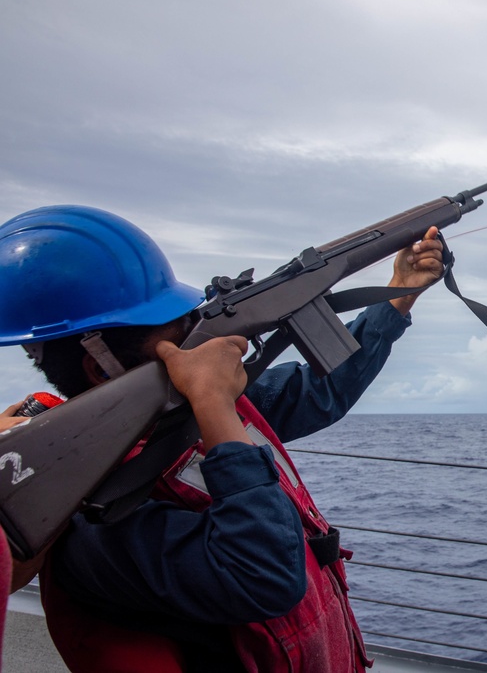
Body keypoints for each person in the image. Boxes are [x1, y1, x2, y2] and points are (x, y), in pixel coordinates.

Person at [0, 205, 444, 672]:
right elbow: (264, 574)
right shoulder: (83, 511)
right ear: (99, 365)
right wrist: (212, 402)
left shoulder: (176, 412)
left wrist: (397, 298)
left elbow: (317, 391)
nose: (202, 341)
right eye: (179, 332)